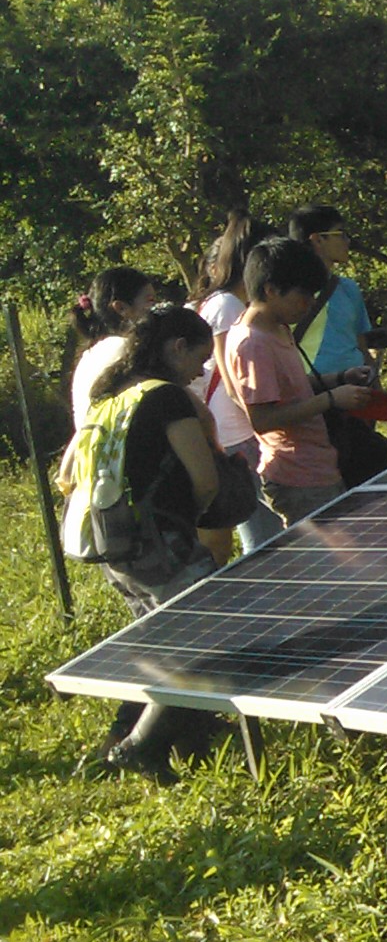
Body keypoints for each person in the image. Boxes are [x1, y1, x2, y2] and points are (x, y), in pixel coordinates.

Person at [66, 303, 233, 778]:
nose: (201, 372)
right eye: (199, 360)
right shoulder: (167, 398)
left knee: (163, 649)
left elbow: (69, 472)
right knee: (205, 643)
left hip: (115, 547)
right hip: (164, 543)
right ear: (176, 348)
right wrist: (196, 514)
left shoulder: (110, 394)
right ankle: (138, 747)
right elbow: (205, 479)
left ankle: (185, 748)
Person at [218, 237, 374, 532]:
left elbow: (291, 389)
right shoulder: (252, 343)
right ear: (271, 290)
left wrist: (339, 379)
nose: (310, 303)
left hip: (318, 467)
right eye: (303, 295)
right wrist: (331, 398)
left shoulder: (277, 328)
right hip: (297, 477)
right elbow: (262, 419)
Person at [287, 203, 387, 487]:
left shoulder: (348, 288)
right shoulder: (289, 295)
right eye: (340, 234)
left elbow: (360, 346)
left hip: (357, 400)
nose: (348, 241)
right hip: (313, 403)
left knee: (368, 476)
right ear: (317, 239)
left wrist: (375, 389)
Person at [194, 213, 275, 554]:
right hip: (236, 432)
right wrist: (266, 421)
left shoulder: (224, 302)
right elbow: (232, 380)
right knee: (263, 534)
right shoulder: (227, 305)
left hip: (235, 429)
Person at [65, 268, 161, 426]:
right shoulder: (125, 349)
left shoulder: (90, 355)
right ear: (121, 308)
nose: (156, 309)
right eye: (150, 301)